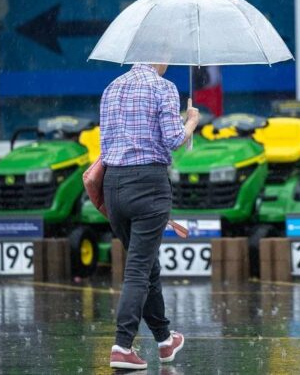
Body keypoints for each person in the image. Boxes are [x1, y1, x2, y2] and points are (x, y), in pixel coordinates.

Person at [100, 63, 200, 370]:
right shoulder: (163, 87)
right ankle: (122, 345)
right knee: (139, 269)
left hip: (113, 185)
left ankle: (165, 340)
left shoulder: (111, 88)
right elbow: (172, 139)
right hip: (148, 185)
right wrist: (192, 121)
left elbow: (105, 144)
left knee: (145, 263)